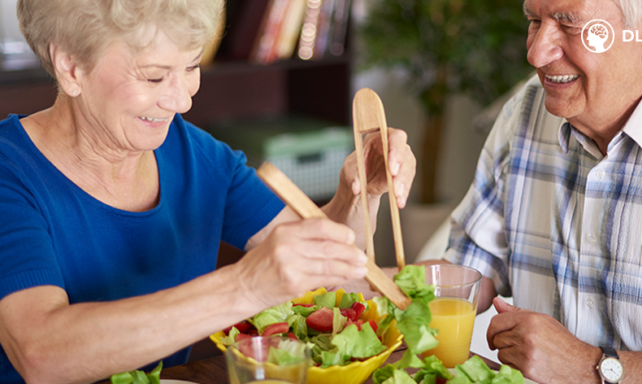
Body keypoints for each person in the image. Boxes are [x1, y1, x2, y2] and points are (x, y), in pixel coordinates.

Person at [0, 0, 416, 383]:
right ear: (71, 67)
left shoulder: (195, 153)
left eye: (192, 67)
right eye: (155, 75)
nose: (181, 100)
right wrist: (246, 286)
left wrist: (358, 194)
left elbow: (326, 273)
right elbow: (40, 354)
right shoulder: (9, 170)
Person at [416, 0, 642, 382]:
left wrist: (589, 366)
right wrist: (356, 273)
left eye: (568, 25)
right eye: (534, 21)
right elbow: (470, 271)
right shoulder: (526, 111)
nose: (536, 52)